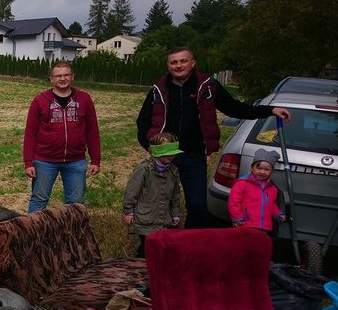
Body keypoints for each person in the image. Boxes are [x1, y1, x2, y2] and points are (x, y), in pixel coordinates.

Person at [136, 47, 291, 228]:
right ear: (168, 65)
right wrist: (150, 147)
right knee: (156, 205)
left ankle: (191, 243)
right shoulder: (158, 89)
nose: (178, 65)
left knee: (198, 206)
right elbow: (142, 122)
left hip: (193, 156)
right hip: (164, 156)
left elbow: (236, 108)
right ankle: (153, 246)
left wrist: (270, 110)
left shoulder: (208, 86)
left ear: (192, 63)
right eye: (174, 62)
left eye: (183, 61)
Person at [23, 60, 101, 212]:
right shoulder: (40, 100)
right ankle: (33, 234)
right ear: (51, 79)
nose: (62, 78)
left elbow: (92, 131)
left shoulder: (84, 99)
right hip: (44, 161)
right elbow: (30, 133)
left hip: (75, 161)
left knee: (76, 204)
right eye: (58, 76)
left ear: (72, 77)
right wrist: (28, 162)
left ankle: (73, 234)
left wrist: (95, 159)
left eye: (66, 75)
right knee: (39, 200)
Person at [122, 133, 183, 257]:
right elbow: (131, 191)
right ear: (156, 152)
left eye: (173, 153)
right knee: (147, 249)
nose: (171, 156)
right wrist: (128, 211)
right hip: (146, 218)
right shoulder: (144, 170)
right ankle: (141, 270)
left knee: (163, 248)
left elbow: (175, 194)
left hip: (164, 218)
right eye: (168, 153)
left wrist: (175, 214)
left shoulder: (173, 170)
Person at [228, 148, 286, 235]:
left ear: (271, 171)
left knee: (259, 247)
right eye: (259, 168)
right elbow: (233, 202)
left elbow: (272, 204)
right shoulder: (242, 183)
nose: (262, 172)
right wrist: (237, 217)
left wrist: (277, 214)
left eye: (266, 169)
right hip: (245, 224)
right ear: (252, 168)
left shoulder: (272, 188)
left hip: (265, 227)